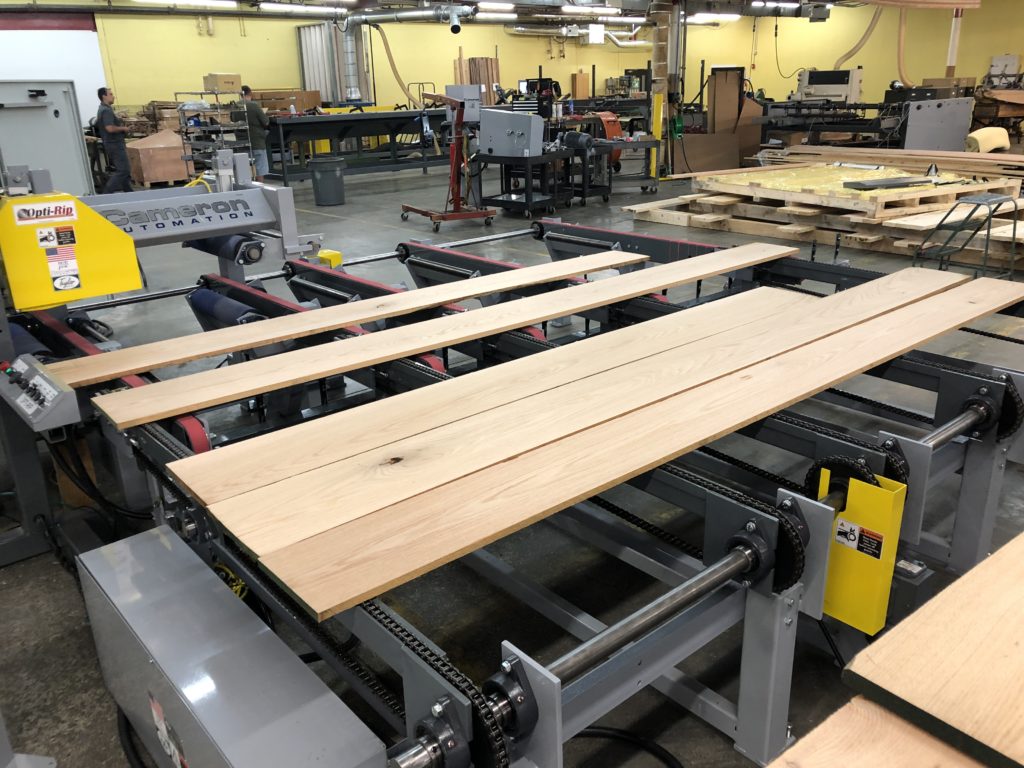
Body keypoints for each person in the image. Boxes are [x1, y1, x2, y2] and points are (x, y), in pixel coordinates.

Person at [96, 87, 133, 193]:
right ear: (104, 96)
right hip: (114, 144)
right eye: (111, 94)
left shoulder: (103, 109)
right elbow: (110, 128)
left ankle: (129, 193)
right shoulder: (106, 110)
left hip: (112, 144)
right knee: (123, 170)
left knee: (125, 171)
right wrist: (124, 128)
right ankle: (106, 194)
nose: (113, 96)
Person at [241, 85, 270, 182]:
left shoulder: (235, 106)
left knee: (244, 169)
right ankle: (260, 187)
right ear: (250, 93)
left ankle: (248, 187)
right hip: (256, 142)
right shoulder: (253, 105)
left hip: (241, 142)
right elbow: (266, 122)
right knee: (260, 168)